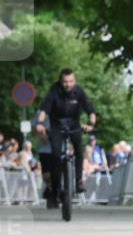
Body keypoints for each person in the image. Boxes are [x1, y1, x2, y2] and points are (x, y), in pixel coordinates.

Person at [35, 68, 96, 207]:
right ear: (60, 81)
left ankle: (78, 181)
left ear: (75, 81)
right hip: (56, 127)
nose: (68, 84)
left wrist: (91, 124)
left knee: (79, 149)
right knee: (56, 155)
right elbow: (44, 109)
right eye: (65, 82)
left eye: (71, 81)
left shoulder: (79, 92)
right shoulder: (54, 91)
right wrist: (40, 123)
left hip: (74, 125)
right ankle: (56, 188)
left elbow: (90, 110)